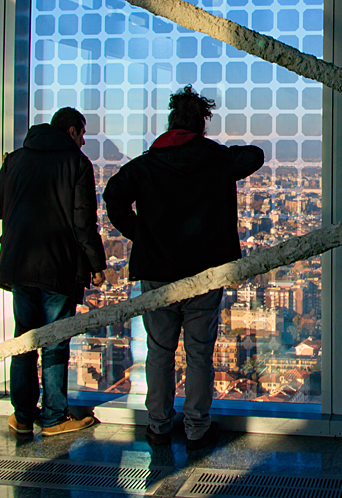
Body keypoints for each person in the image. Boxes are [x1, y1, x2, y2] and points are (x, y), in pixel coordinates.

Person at [103, 85, 264, 450]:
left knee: (159, 351)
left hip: (157, 270)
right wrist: (218, 155)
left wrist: (139, 234)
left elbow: (113, 195)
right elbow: (255, 156)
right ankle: (196, 426)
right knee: (199, 352)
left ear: (170, 123)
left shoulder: (145, 165)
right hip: (204, 273)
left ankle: (158, 425)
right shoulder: (216, 159)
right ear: (201, 125)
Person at [0, 107, 109, 436]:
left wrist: (7, 169)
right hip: (59, 268)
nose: (83, 142)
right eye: (82, 134)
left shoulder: (16, 160)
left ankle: (22, 417)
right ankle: (54, 417)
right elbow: (84, 225)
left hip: (20, 265)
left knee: (24, 341)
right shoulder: (77, 164)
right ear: (71, 132)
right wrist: (97, 267)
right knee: (54, 343)